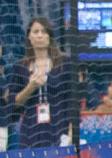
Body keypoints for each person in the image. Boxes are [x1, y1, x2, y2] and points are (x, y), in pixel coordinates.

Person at [8, 16, 79, 149]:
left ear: (50, 37)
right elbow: (13, 103)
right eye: (36, 32)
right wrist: (30, 87)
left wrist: (72, 131)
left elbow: (72, 100)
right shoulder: (21, 66)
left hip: (58, 127)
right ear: (29, 36)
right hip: (31, 129)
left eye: (44, 31)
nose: (40, 35)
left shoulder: (65, 63)